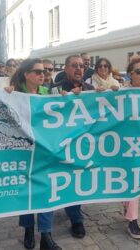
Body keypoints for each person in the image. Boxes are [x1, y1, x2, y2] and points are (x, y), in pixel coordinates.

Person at [8, 58, 62, 250]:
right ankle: (29, 230)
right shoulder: (14, 93)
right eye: (38, 72)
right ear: (26, 74)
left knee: (47, 190)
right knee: (28, 192)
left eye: (44, 72)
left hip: (44, 150)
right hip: (22, 151)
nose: (43, 75)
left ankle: (46, 235)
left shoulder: (48, 93)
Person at [50, 55, 94, 239]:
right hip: (58, 144)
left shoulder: (91, 89)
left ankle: (76, 217)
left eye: (82, 66)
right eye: (74, 66)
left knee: (77, 180)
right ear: (66, 68)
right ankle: (74, 218)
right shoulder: (53, 90)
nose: (79, 69)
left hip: (84, 144)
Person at [122, 55, 140, 239]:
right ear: (130, 75)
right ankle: (132, 220)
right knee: (132, 182)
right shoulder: (121, 93)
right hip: (125, 145)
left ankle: (130, 212)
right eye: (139, 71)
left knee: (138, 182)